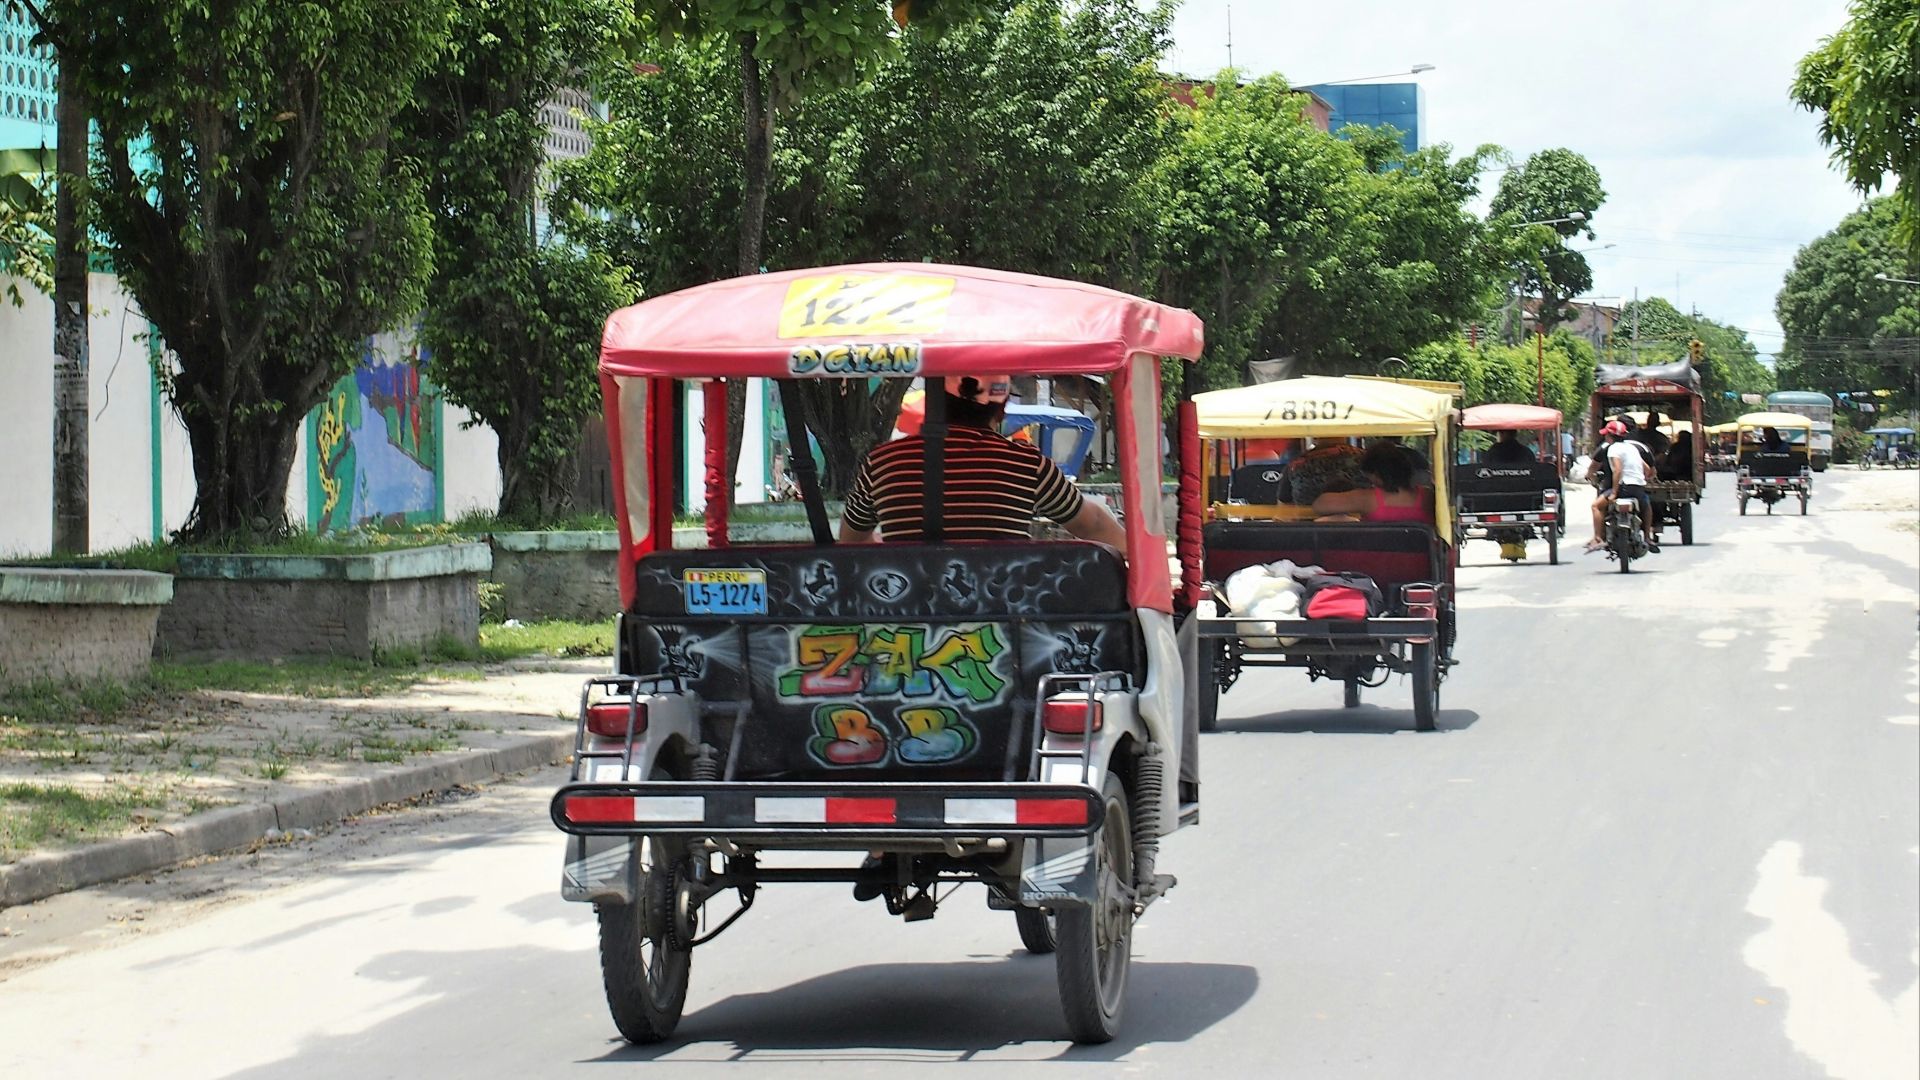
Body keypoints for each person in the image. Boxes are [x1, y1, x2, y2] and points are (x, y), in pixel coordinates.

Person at [839, 375, 1127, 554]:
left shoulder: (882, 463)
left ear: (935, 401)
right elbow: (1094, 525)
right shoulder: (1026, 464)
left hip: (909, 630)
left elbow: (852, 540)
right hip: (1005, 627)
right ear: (1000, 409)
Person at [1587, 420, 1658, 554]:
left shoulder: (1612, 448)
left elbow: (1617, 470)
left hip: (1623, 488)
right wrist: (1643, 479)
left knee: (1596, 506)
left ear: (1609, 436)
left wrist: (1614, 492)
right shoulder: (1632, 448)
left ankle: (1598, 538)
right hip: (1637, 489)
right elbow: (1648, 470)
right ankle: (1648, 537)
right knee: (1646, 505)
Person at [1310, 443, 1429, 522]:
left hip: (1375, 558)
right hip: (1422, 559)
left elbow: (1320, 505)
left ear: (1376, 475)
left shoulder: (1367, 498)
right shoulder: (1428, 496)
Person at [1280, 440, 1369, 505]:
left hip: (1308, 525)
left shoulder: (1297, 463)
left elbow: (1284, 501)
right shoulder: (1366, 459)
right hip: (1362, 525)